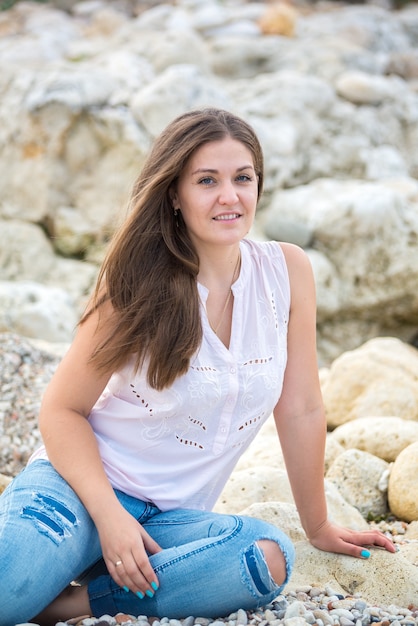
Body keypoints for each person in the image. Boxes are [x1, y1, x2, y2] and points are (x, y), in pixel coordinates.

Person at [0, 108, 395, 625]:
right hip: (77, 491)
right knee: (6, 592)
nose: (229, 196)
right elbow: (61, 411)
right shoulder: (133, 284)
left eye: (243, 178)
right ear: (174, 194)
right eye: (206, 181)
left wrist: (318, 524)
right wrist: (110, 517)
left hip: (172, 524)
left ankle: (75, 604)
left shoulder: (287, 272)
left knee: (264, 558)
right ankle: (55, 579)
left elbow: (299, 407)